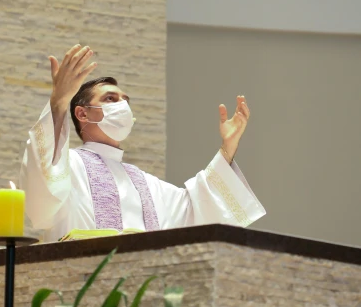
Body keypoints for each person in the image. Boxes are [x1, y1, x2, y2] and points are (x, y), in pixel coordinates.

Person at [20, 44, 265, 242]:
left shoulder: (144, 183)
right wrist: (59, 101)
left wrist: (227, 147)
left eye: (125, 100)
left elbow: (196, 210)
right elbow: (43, 185)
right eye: (110, 98)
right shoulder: (68, 165)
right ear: (82, 113)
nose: (122, 105)